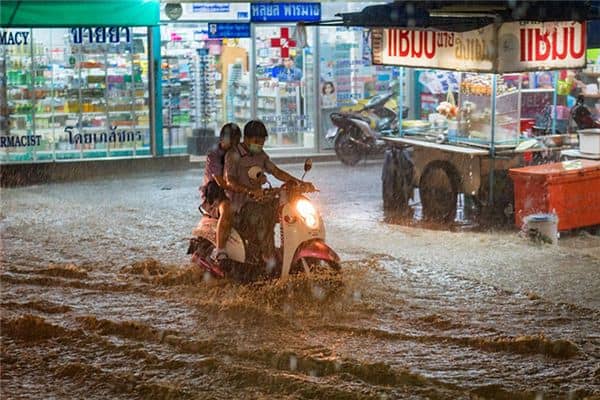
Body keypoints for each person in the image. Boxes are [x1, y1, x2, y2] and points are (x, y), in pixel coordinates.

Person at [224, 120, 314, 263]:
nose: (259, 144)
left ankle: (291, 251)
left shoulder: (261, 155)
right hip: (241, 207)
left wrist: (300, 184)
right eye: (256, 141)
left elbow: (276, 171)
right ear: (246, 138)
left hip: (260, 201)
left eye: (262, 141)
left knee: (289, 208)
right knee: (262, 216)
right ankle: (268, 259)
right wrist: (248, 191)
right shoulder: (233, 155)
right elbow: (230, 181)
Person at [199, 123, 242, 263]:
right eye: (232, 141)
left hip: (234, 192)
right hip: (215, 195)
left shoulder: (239, 154)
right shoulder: (214, 155)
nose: (234, 144)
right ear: (222, 139)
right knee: (227, 209)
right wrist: (245, 189)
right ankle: (220, 250)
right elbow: (221, 182)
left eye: (237, 141)